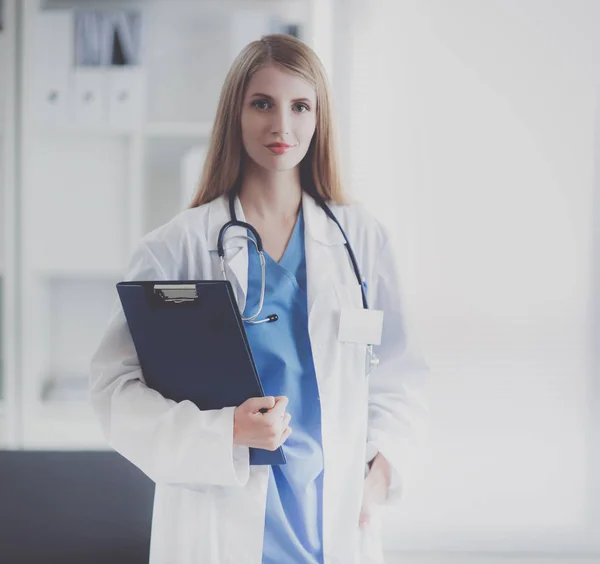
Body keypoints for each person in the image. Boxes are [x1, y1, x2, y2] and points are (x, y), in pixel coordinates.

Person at [90, 33, 429, 564]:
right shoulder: (176, 247)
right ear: (235, 114)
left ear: (320, 119)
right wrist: (222, 430)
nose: (282, 126)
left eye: (300, 106)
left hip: (333, 521)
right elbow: (115, 391)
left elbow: (400, 377)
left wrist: (379, 472)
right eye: (262, 104)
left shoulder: (361, 240)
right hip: (219, 524)